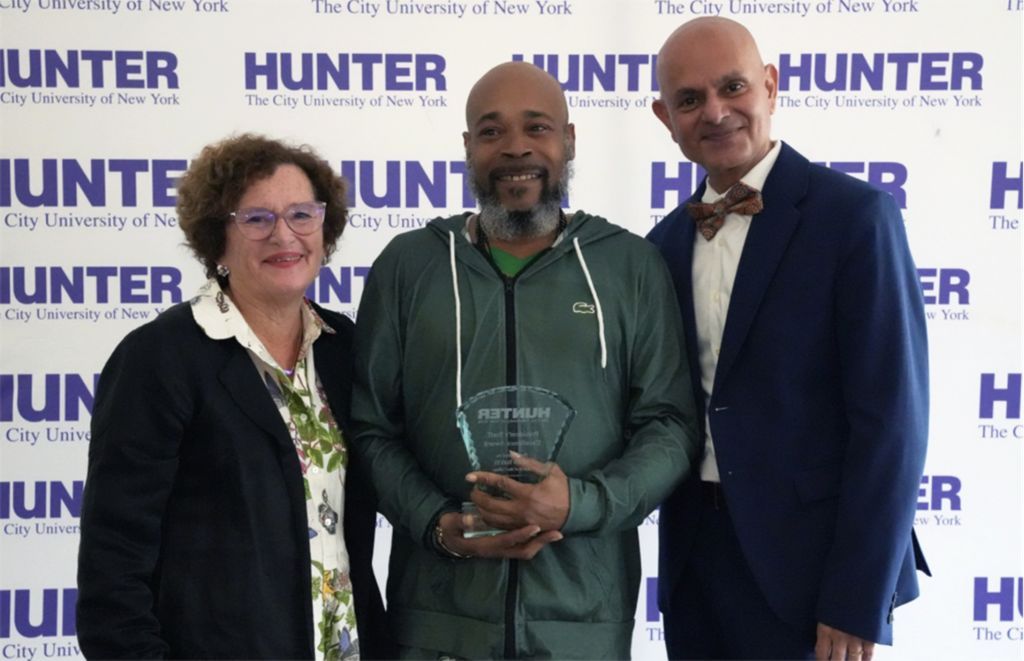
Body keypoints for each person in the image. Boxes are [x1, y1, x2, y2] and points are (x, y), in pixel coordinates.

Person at [350, 61, 699, 659]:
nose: (515, 148)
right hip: (436, 621)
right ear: (467, 148)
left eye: (537, 128)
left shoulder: (629, 266)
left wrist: (580, 504)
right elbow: (371, 427)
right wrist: (437, 524)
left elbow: (669, 427)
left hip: (582, 621)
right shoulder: (408, 267)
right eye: (491, 132)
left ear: (568, 139)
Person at [646, 17, 930, 661]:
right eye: (690, 100)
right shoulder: (660, 245)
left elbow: (892, 425)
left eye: (732, 87)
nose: (715, 112)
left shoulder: (855, 218)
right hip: (694, 567)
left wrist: (857, 597)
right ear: (666, 118)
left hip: (812, 576)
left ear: (770, 86)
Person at [76, 134, 390, 660]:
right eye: (257, 219)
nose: (284, 235)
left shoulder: (345, 350)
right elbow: (113, 574)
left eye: (301, 214)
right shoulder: (160, 359)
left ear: (325, 226)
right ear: (216, 238)